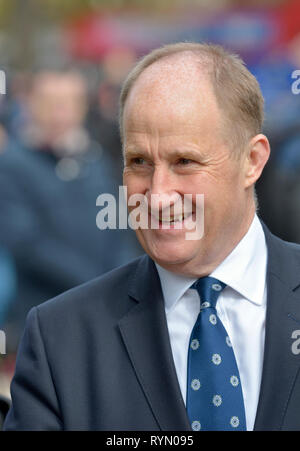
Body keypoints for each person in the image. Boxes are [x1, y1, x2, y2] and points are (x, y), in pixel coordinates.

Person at [3, 42, 300, 431]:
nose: (157, 196)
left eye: (185, 162)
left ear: (252, 161)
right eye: (139, 162)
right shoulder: (59, 339)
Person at [0, 69, 140, 353]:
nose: (59, 112)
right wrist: (97, 284)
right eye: (51, 102)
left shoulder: (96, 161)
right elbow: (26, 245)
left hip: (105, 310)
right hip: (45, 313)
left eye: (68, 102)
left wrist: (123, 277)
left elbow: (119, 226)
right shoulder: (12, 164)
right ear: (32, 104)